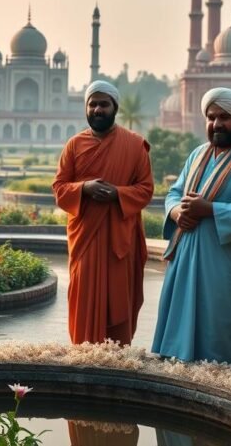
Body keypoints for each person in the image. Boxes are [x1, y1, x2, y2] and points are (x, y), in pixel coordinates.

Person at [151, 88, 231, 365]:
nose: (217, 124)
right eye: (211, 117)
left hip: (227, 267)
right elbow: (174, 192)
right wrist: (176, 212)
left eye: (225, 117)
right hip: (186, 260)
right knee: (178, 337)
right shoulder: (198, 154)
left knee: (221, 338)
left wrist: (209, 210)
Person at [53, 80, 154, 344]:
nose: (98, 109)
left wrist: (118, 194)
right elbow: (60, 189)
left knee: (119, 298)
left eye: (104, 104)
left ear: (115, 108)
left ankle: (117, 361)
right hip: (86, 238)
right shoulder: (74, 146)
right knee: (84, 295)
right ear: (86, 108)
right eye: (93, 104)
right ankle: (85, 354)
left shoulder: (134, 145)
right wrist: (84, 188)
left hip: (120, 240)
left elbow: (145, 190)